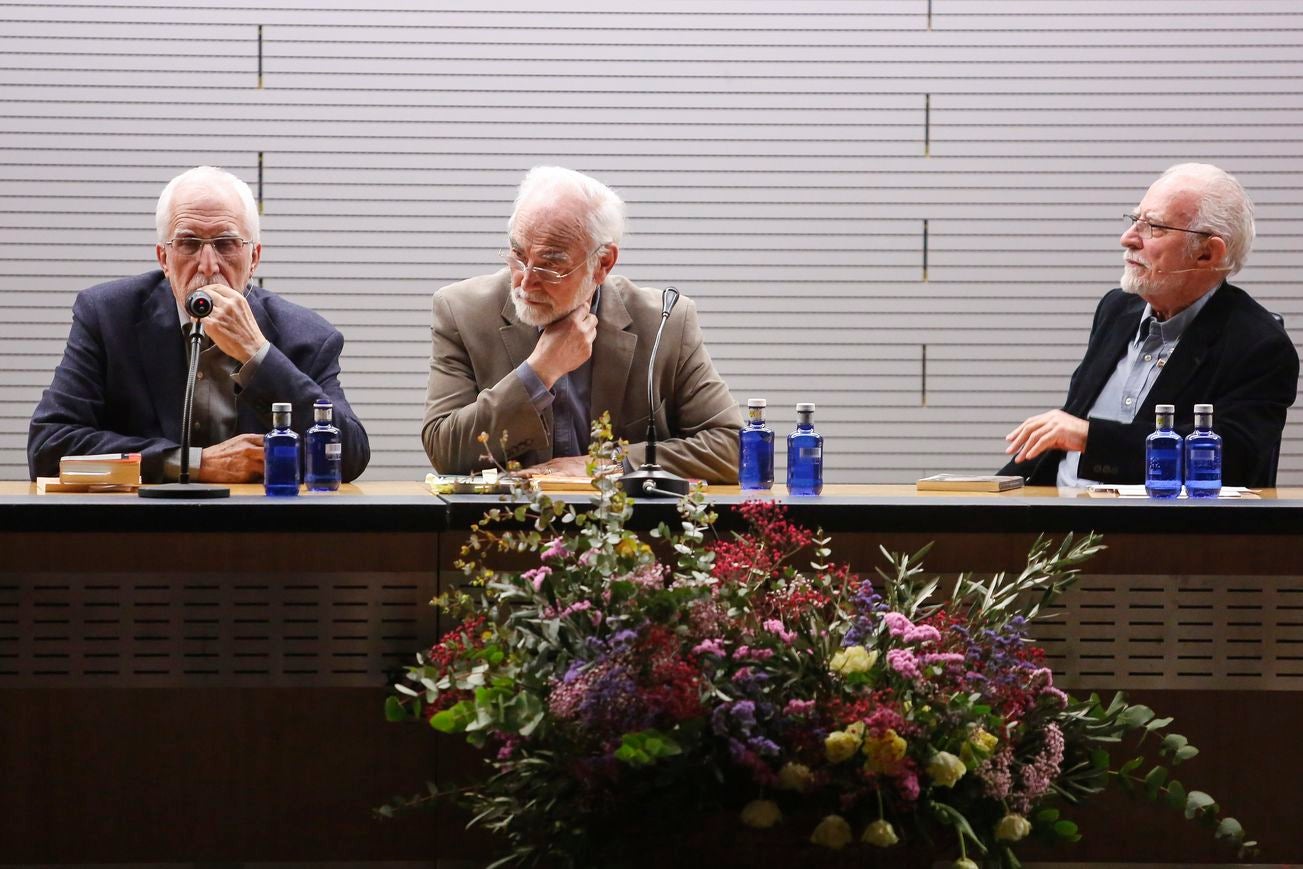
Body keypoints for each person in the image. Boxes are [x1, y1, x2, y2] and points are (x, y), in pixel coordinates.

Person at [28, 166, 370, 483]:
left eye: (226, 244)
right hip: (138, 532)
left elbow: (348, 457)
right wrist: (193, 463)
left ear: (254, 258)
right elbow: (48, 448)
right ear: (164, 257)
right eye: (189, 243)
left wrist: (257, 354)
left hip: (260, 533)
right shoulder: (108, 317)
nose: (208, 265)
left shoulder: (307, 336)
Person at [422, 166, 741, 482]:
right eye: (518, 256)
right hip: (506, 527)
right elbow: (445, 452)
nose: (526, 281)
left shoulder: (664, 322)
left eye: (550, 265)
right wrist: (538, 372)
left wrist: (611, 462)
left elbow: (731, 447)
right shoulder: (463, 311)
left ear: (603, 263)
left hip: (629, 529)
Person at [1001, 163, 1297, 488]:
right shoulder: (1117, 309)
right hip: (1050, 516)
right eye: (1134, 221)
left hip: (1153, 531)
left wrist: (1090, 438)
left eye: (1153, 227)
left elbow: (1223, 464)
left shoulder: (1259, 346)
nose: (1127, 238)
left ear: (1207, 253)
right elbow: (1059, 443)